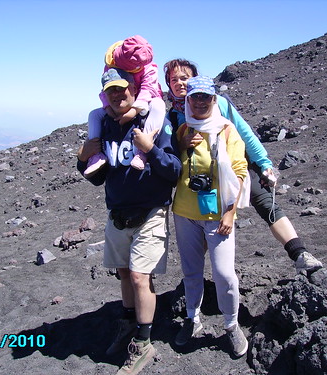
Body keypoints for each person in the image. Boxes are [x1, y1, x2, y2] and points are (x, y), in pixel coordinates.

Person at [164, 58, 323, 275]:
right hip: (202, 179)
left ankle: (300, 254)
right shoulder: (172, 116)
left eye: (185, 77)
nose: (180, 83)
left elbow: (244, 132)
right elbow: (170, 151)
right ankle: (194, 280)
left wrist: (264, 163)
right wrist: (180, 144)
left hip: (236, 166)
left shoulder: (217, 102)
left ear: (195, 79)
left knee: (266, 203)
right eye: (174, 79)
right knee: (202, 225)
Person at [77, 68, 181, 375]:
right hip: (118, 214)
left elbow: (174, 171)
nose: (118, 95)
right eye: (111, 91)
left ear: (134, 89)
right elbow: (97, 179)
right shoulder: (105, 126)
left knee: (139, 278)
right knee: (124, 274)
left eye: (122, 89)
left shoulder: (152, 122)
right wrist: (83, 157)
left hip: (150, 212)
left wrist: (150, 150)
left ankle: (144, 342)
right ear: (105, 95)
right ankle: (127, 323)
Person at [172, 76, 250, 357]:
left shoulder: (227, 130)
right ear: (188, 101)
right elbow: (172, 165)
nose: (201, 102)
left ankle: (231, 326)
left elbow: (240, 172)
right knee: (191, 272)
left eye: (206, 97)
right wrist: (182, 144)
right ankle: (192, 318)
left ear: (214, 100)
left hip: (219, 216)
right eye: (195, 97)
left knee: (224, 273)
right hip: (184, 213)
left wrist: (230, 213)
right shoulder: (182, 130)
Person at [84, 35, 166, 177]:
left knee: (158, 105)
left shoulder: (148, 68)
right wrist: (107, 108)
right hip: (122, 105)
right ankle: (95, 155)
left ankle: (142, 151)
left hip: (145, 101)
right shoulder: (111, 64)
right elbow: (105, 89)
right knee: (94, 114)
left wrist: (133, 111)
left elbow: (148, 89)